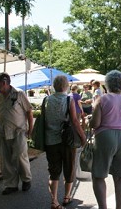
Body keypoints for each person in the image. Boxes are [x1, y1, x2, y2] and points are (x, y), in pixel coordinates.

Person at [89, 70, 121, 209]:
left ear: (107, 84)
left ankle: (103, 207)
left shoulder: (102, 99)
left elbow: (95, 124)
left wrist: (90, 121)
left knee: (99, 175)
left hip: (105, 136)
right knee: (120, 177)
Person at [0, 72, 33, 195]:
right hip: (3, 132)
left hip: (19, 131)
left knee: (19, 156)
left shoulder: (19, 94)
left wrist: (30, 129)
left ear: (4, 82)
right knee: (6, 159)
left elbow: (29, 112)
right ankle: (11, 184)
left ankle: (26, 179)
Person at [44, 75, 86, 209]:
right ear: (66, 86)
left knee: (53, 171)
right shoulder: (69, 99)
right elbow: (74, 121)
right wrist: (83, 136)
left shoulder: (46, 99)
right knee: (69, 168)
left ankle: (54, 200)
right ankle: (67, 196)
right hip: (67, 141)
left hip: (50, 140)